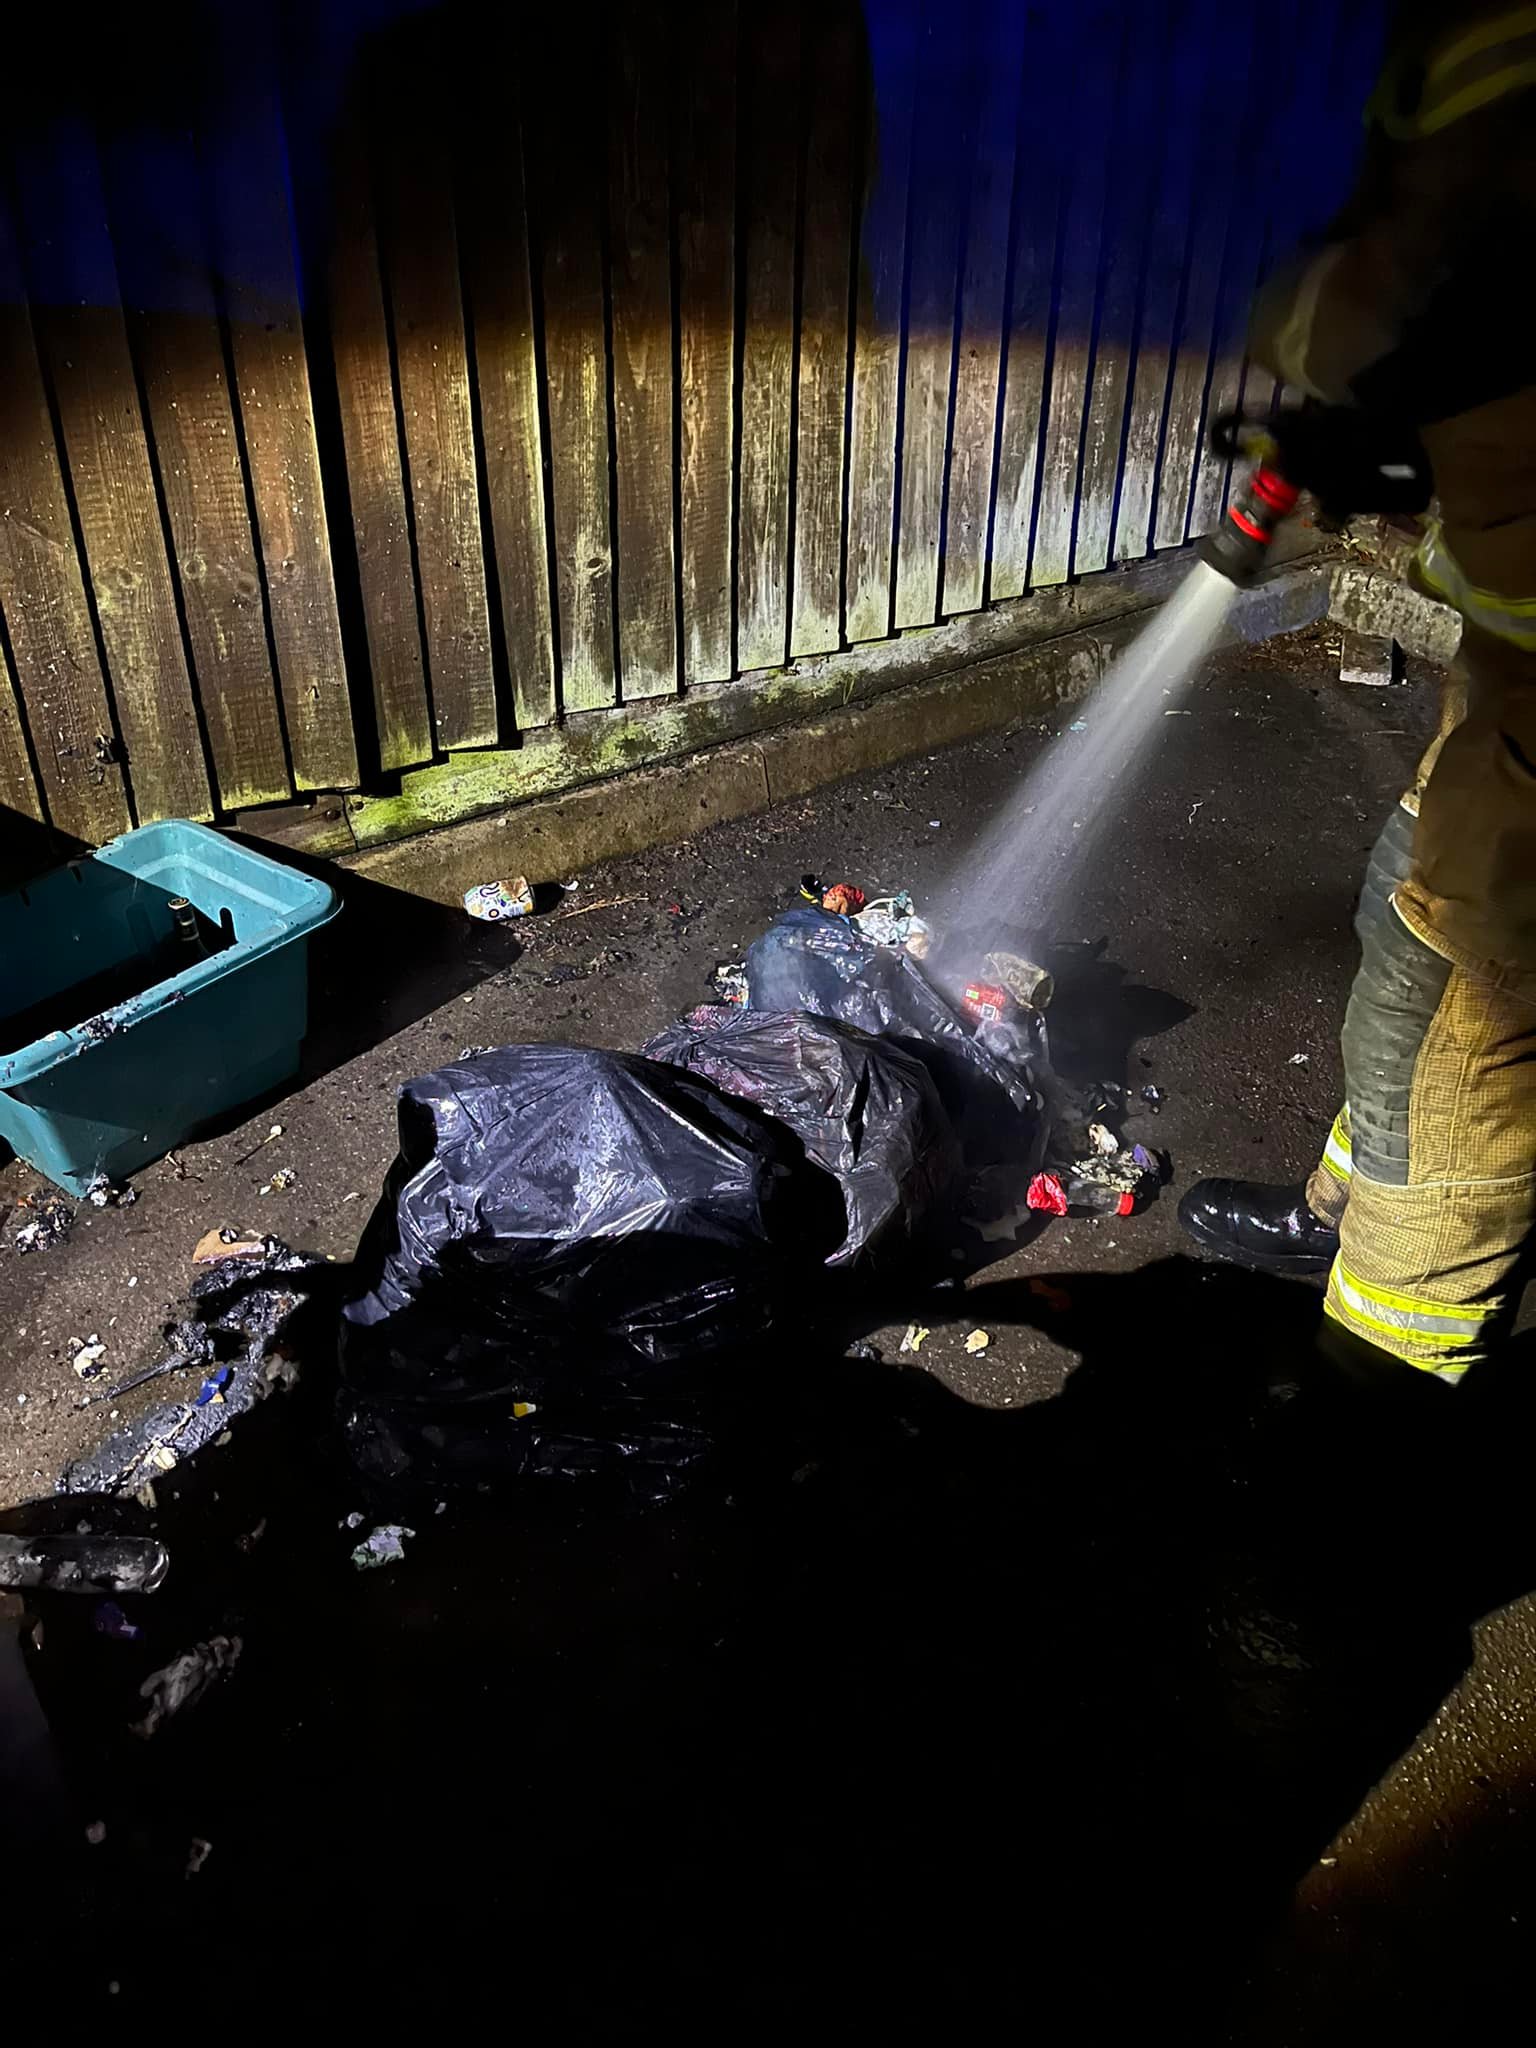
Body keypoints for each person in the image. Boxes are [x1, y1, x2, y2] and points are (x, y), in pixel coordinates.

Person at [1179, 1, 1536, 1384]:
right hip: (1510, 702)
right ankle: (1336, 1214)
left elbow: (1368, 302)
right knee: (1404, 918)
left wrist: (1337, 327)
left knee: (1465, 1038)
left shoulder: (1499, 38)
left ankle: (1379, 1401)